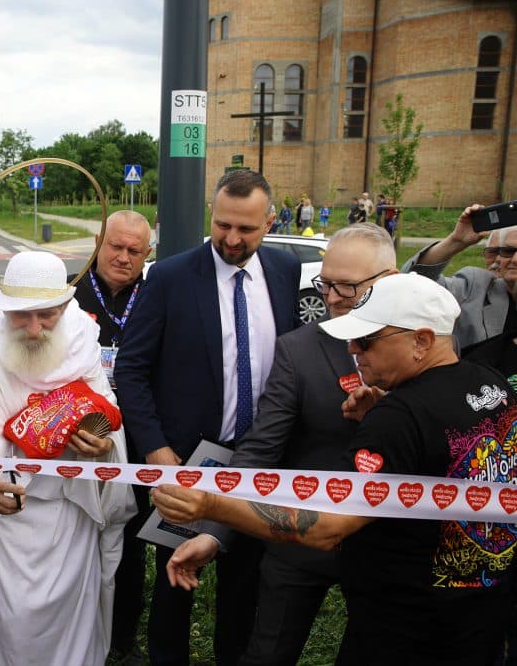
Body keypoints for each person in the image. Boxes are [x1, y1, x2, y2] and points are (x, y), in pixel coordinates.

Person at [159, 272, 517, 665]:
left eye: (367, 339)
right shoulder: (492, 383)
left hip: (406, 629)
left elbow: (326, 526)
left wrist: (211, 505)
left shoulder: (399, 417)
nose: (352, 348)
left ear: (422, 341)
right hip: (482, 614)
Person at [173, 223, 398, 665]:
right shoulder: (298, 349)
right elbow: (260, 448)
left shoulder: (420, 343)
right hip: (299, 539)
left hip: (384, 545)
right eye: (325, 284)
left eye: (347, 286)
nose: (332, 298)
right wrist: (215, 533)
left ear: (388, 280)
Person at [114, 168, 301, 666]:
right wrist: (156, 448)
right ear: (210, 215)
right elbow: (131, 368)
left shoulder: (285, 270)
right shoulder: (170, 277)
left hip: (261, 459)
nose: (232, 239)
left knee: (244, 581)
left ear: (270, 222)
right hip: (187, 461)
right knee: (175, 579)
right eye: (222, 225)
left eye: (247, 228)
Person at [0, 251, 135, 666]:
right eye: (21, 316)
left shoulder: (82, 341)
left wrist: (103, 444)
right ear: (4, 309)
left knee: (72, 621)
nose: (33, 328)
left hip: (72, 514)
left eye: (46, 315)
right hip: (6, 518)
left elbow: (107, 410)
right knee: (14, 623)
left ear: (64, 306)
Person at [68, 209, 152, 661]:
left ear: (147, 253)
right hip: (77, 439)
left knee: (131, 541)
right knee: (75, 536)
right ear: (98, 244)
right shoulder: (68, 292)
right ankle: (75, 631)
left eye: (134, 251)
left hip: (135, 438)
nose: (123, 257)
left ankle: (122, 637)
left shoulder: (156, 296)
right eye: (115, 246)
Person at [401, 204, 511, 349]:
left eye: (507, 251)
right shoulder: (476, 288)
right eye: (493, 252)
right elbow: (412, 283)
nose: (499, 259)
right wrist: (455, 242)